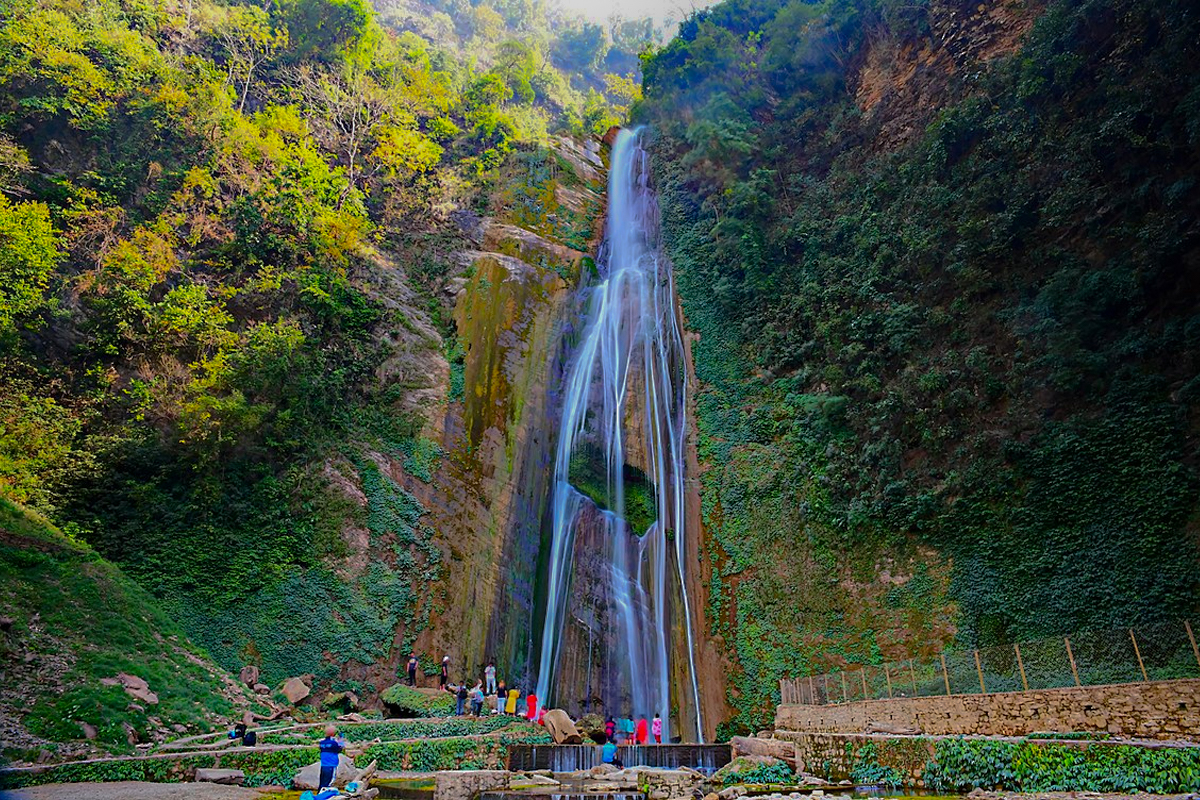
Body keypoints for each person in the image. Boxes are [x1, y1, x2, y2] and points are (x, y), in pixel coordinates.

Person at [317, 725, 345, 790]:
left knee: (322, 784)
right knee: (329, 783)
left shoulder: (321, 743)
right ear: (333, 733)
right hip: (331, 766)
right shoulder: (333, 743)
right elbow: (339, 749)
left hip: (323, 766)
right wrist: (341, 740)